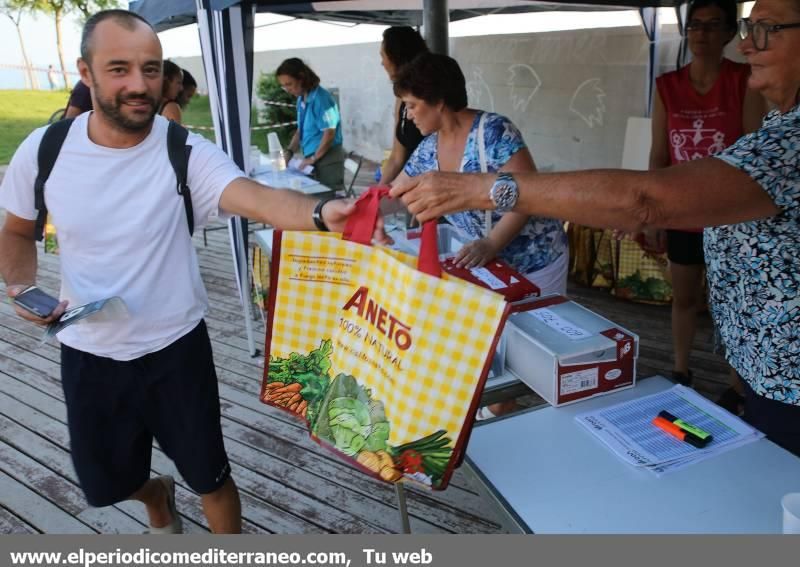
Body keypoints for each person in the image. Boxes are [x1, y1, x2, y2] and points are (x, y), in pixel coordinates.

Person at [0, 10, 381, 534]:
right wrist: (22, 287)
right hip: (88, 354)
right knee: (104, 484)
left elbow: (258, 198)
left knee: (211, 478)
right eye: (119, 69)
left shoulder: (183, 151)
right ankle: (155, 494)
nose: (140, 85)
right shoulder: (45, 150)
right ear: (85, 73)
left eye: (151, 69)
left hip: (177, 351)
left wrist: (320, 213)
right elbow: (18, 231)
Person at [391, 0, 800, 457]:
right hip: (765, 369)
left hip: (788, 379)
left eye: (765, 30)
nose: (746, 44)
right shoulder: (777, 123)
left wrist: (486, 189)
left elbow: (645, 200)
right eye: (747, 28)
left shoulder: (793, 139)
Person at [392, 52, 568, 419]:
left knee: (534, 355)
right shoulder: (428, 148)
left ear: (438, 101)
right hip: (487, 266)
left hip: (534, 263)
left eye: (411, 105)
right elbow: (396, 192)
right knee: (496, 355)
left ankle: (520, 421)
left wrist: (491, 243)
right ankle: (500, 417)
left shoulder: (494, 132)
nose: (408, 115)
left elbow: (528, 196)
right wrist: (348, 211)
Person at [649, 0, 766, 406]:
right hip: (682, 211)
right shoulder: (667, 86)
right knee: (684, 298)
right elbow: (659, 154)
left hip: (729, 214)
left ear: (730, 34)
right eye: (695, 26)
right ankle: (681, 370)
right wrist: (655, 210)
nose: (702, 34)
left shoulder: (744, 80)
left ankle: (736, 384)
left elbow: (753, 150)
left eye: (713, 26)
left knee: (729, 303)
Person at [277, 58, 345, 193]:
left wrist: (313, 158)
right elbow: (300, 131)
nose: (288, 89)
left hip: (326, 159)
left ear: (301, 77)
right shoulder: (302, 98)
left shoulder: (320, 98)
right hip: (314, 158)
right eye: (284, 86)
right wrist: (289, 152)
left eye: (289, 84)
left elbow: (329, 133)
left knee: (325, 201)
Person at [378, 26, 429, 185]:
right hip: (414, 191)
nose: (382, 63)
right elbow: (397, 157)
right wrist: (376, 194)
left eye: (383, 56)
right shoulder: (400, 97)